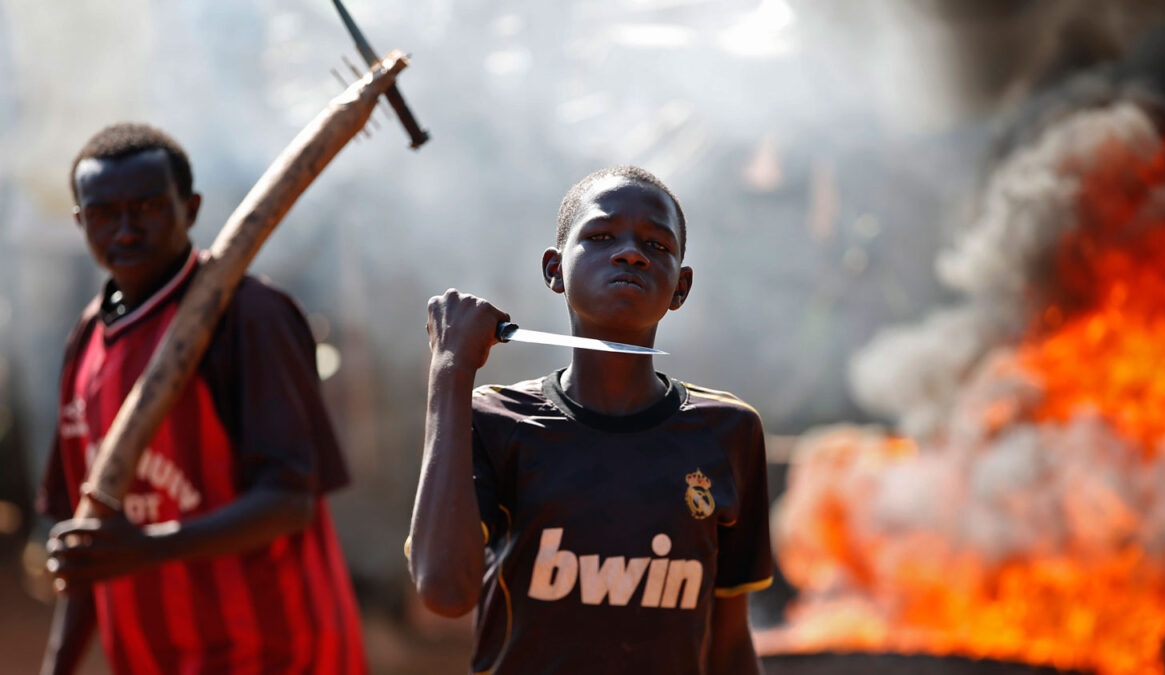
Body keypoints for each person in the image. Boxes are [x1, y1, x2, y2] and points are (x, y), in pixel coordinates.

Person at [410, 166, 773, 674]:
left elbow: (730, 646)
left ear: (681, 287)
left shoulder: (729, 432)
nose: (631, 253)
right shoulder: (495, 421)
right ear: (554, 270)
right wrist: (450, 370)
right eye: (601, 237)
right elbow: (446, 592)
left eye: (658, 245)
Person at [37, 122, 367, 675]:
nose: (124, 230)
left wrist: (148, 547)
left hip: (275, 653)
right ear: (79, 222)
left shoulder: (248, 316)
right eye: (103, 214)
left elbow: (290, 502)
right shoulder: (86, 341)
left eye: (146, 207)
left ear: (189, 208)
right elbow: (88, 546)